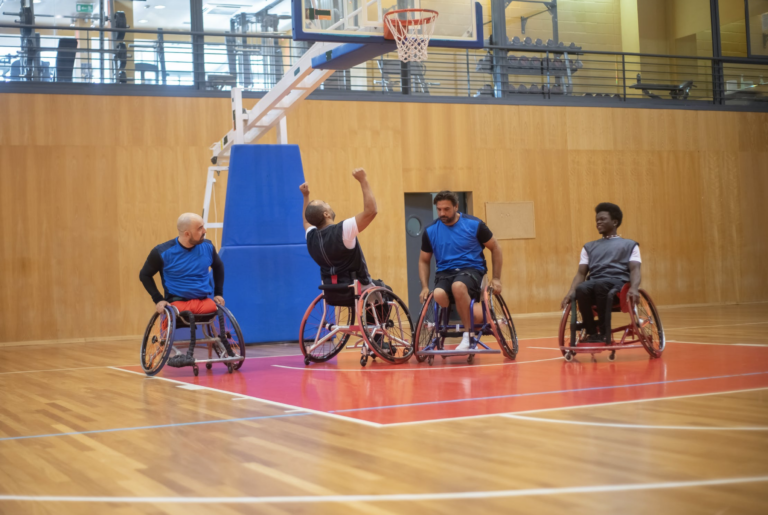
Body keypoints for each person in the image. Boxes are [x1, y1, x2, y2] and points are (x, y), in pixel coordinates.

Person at [139, 212, 230, 365]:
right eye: (200, 228)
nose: (205, 231)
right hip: (178, 303)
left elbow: (219, 266)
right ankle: (164, 349)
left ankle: (224, 347)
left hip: (203, 301)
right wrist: (158, 299)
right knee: (173, 313)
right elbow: (144, 275)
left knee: (218, 309)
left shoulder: (208, 247)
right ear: (187, 233)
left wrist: (218, 293)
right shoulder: (162, 252)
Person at [418, 191, 503, 351]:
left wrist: (496, 278)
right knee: (438, 294)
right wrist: (424, 286)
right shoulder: (431, 231)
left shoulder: (474, 225)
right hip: (445, 272)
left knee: (458, 286)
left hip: (471, 270)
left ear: (456, 207)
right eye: (439, 209)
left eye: (447, 209)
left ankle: (469, 336)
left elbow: (495, 248)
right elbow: (424, 260)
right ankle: (452, 324)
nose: (442, 213)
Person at [561, 202, 642, 344]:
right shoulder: (589, 247)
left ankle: (605, 333)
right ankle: (592, 333)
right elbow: (581, 273)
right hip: (595, 283)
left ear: (615, 222)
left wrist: (634, 288)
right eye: (597, 220)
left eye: (602, 219)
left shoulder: (630, 245)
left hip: (618, 283)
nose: (598, 222)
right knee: (582, 288)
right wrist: (570, 292)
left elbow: (635, 269)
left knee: (599, 284)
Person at [300, 167, 377, 292]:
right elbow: (371, 211)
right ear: (326, 214)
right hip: (357, 288)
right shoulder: (343, 230)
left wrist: (306, 196)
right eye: (325, 203)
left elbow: (306, 221)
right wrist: (363, 180)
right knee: (385, 290)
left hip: (331, 290)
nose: (328, 204)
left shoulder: (311, 236)